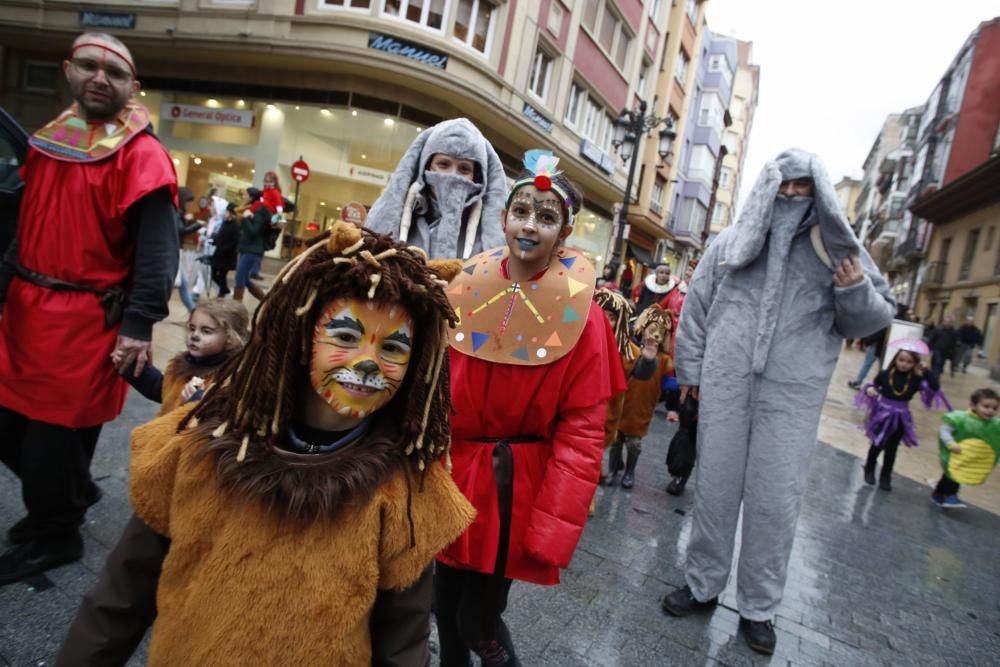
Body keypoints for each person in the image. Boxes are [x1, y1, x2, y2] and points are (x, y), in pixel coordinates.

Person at [55, 222, 475, 665]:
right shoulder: (199, 447)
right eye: (346, 337)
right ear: (299, 334)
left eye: (393, 349)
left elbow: (403, 645)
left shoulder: (405, 494)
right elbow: (118, 602)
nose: (368, 364)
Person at [661, 148, 895, 655]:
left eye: (801, 186)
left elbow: (874, 320)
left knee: (775, 502)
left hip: (793, 393)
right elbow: (697, 309)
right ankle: (702, 584)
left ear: (820, 193)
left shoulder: (837, 249)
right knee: (716, 490)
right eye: (783, 184)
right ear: (767, 187)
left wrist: (852, 291)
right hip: (727, 385)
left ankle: (759, 608)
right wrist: (692, 373)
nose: (790, 194)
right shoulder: (731, 243)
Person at [0, 32, 178, 586]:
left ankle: (57, 533)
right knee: (9, 426)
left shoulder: (142, 155)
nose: (100, 77)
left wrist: (138, 326)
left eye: (115, 72)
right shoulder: (49, 140)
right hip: (25, 311)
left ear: (133, 87)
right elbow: (24, 230)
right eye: (88, 66)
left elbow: (157, 250)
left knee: (53, 441)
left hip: (83, 323)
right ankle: (68, 493)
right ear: (68, 70)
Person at [436, 151, 623, 666]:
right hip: (452, 478)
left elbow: (583, 433)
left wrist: (553, 527)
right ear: (503, 216)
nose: (530, 226)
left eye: (546, 217)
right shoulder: (466, 283)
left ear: (564, 231)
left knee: (477, 620)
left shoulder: (583, 316)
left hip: (510, 489)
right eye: (522, 211)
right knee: (443, 607)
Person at [365, 118, 507, 260]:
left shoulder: (482, 235)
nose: (453, 175)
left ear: (475, 177)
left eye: (464, 169)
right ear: (426, 166)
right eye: (443, 164)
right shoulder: (404, 215)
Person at [113, 299, 249, 414]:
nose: (194, 336)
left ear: (231, 338)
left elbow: (225, 420)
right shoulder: (185, 363)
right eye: (191, 328)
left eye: (206, 331)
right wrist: (131, 366)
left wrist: (199, 403)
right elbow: (164, 391)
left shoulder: (230, 377)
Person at [855, 345, 943, 491]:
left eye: (909, 362)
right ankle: (869, 467)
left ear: (915, 363)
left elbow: (934, 387)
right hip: (882, 415)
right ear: (895, 359)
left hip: (901, 418)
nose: (904, 364)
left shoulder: (915, 379)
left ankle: (886, 475)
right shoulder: (885, 374)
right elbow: (872, 386)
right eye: (901, 360)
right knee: (877, 444)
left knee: (892, 449)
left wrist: (927, 371)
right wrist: (870, 390)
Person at [606, 305, 674, 489]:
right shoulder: (630, 348)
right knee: (616, 439)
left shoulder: (664, 359)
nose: (655, 336)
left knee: (634, 442)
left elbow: (669, 381)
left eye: (660, 333)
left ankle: (630, 471)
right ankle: (612, 469)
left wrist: (675, 400)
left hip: (643, 406)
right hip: (623, 402)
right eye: (652, 331)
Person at [931, 388, 1000, 509]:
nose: (990, 411)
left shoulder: (995, 425)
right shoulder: (961, 418)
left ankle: (938, 494)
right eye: (986, 406)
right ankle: (950, 495)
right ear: (973, 405)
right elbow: (945, 430)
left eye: (995, 408)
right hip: (955, 452)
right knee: (953, 474)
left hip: (970, 456)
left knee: (950, 475)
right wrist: (950, 443)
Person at [593, 287, 634, 489]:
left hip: (607, 416)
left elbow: (638, 366)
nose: (607, 321)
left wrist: (649, 360)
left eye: (612, 317)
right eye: (603, 314)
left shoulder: (624, 348)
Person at [233, 190, 269, 303]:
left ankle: (236, 307)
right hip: (246, 248)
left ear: (252, 197)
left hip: (253, 250)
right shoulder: (249, 209)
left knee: (239, 277)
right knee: (244, 279)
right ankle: (266, 301)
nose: (243, 196)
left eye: (246, 195)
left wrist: (245, 219)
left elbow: (255, 231)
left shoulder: (260, 211)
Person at [174, 187, 201, 313]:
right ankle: (193, 310)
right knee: (180, 283)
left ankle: (193, 310)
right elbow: (181, 232)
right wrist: (197, 225)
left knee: (182, 283)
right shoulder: (178, 213)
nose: (190, 204)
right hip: (174, 252)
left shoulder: (179, 214)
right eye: (189, 201)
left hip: (176, 251)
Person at [209, 203, 240, 297]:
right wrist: (214, 239)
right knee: (213, 273)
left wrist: (224, 249)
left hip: (227, 256)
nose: (225, 213)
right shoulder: (225, 223)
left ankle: (223, 292)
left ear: (231, 213)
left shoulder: (236, 226)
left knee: (222, 275)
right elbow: (221, 236)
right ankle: (224, 290)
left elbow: (235, 242)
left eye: (226, 212)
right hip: (219, 253)